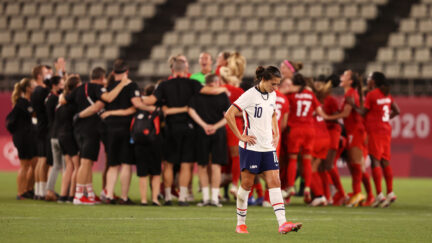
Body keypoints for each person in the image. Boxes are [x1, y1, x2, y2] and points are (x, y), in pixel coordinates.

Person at [225, 66, 302, 234]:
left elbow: (273, 113)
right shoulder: (249, 95)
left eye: (278, 84)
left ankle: (282, 223)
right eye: (273, 84)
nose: (276, 88)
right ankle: (240, 223)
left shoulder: (273, 94)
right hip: (251, 147)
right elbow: (229, 114)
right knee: (246, 185)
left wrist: (276, 132)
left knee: (275, 182)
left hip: (268, 147)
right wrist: (240, 136)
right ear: (264, 80)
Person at [142, 58, 226, 206]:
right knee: (186, 164)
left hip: (170, 128)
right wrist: (223, 89)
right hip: (189, 128)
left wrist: (136, 98)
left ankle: (167, 197)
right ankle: (182, 197)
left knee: (168, 164)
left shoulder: (164, 85)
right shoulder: (192, 83)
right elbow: (209, 90)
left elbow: (150, 101)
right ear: (186, 71)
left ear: (172, 71)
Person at [65, 67, 131, 205]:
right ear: (102, 78)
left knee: (87, 163)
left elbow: (63, 99)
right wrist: (122, 85)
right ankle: (79, 195)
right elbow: (108, 98)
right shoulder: (97, 87)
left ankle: (88, 194)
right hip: (90, 129)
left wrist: (78, 114)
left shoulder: (80, 88)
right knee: (85, 163)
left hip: (78, 129)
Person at [350, 72, 400, 207]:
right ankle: (390, 192)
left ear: (374, 81)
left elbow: (363, 112)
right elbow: (397, 111)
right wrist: (384, 119)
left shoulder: (372, 95)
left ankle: (379, 195)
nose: (368, 80)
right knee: (385, 161)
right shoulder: (386, 94)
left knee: (375, 161)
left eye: (370, 79)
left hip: (375, 131)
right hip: (386, 130)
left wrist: (353, 106)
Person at [326, 70, 370, 207]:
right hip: (353, 132)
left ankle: (363, 195)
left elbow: (345, 114)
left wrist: (327, 117)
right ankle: (361, 194)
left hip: (355, 132)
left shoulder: (351, 93)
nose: (341, 77)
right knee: (354, 166)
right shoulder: (350, 93)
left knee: (356, 166)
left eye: (344, 75)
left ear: (350, 81)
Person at [285, 74, 330, 205]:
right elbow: (320, 113)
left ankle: (291, 186)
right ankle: (307, 188)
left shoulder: (291, 94)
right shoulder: (311, 95)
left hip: (295, 129)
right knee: (307, 161)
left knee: (293, 159)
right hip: (309, 130)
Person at [188, 74, 230, 207]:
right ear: (217, 82)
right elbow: (228, 115)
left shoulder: (197, 94)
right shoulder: (222, 95)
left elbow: (191, 111)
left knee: (202, 165)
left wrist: (204, 125)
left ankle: (206, 198)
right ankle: (215, 199)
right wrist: (215, 127)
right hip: (218, 133)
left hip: (201, 132)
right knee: (216, 165)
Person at [7, 78, 37, 199]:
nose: (36, 87)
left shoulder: (28, 103)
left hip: (28, 136)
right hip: (23, 137)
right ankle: (21, 192)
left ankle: (28, 189)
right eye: (34, 86)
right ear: (28, 88)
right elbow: (10, 121)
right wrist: (18, 133)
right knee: (24, 165)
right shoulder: (21, 103)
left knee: (33, 163)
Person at [132, 84, 162, 206]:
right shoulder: (158, 108)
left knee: (142, 174)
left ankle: (144, 200)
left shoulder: (138, 108)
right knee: (155, 173)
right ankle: (155, 198)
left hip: (139, 143)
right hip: (155, 143)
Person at [56, 76, 81, 203]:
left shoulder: (61, 104)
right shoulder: (73, 103)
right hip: (70, 136)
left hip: (61, 136)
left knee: (69, 166)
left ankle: (62, 195)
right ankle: (72, 195)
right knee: (78, 166)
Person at [30, 65, 50, 200]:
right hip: (45, 128)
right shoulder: (41, 91)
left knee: (40, 161)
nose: (48, 74)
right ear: (39, 76)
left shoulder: (35, 91)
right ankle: (42, 191)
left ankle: (38, 190)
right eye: (46, 73)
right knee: (43, 160)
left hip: (39, 127)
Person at [44, 76, 65, 201]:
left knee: (56, 165)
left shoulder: (49, 98)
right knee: (65, 166)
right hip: (60, 133)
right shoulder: (55, 99)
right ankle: (65, 192)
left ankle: (49, 190)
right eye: (61, 83)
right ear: (55, 85)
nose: (63, 85)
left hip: (52, 133)